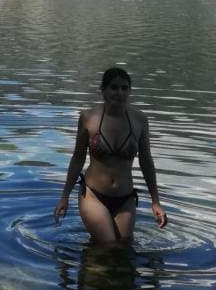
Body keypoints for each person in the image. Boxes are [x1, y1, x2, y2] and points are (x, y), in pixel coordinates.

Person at [54, 66, 167, 244]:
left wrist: (155, 201)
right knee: (108, 245)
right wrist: (64, 197)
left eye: (124, 88)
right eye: (114, 87)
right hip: (93, 195)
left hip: (125, 198)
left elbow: (146, 159)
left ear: (130, 91)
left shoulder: (140, 120)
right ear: (103, 90)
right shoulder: (88, 118)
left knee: (124, 247)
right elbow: (78, 157)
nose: (119, 93)